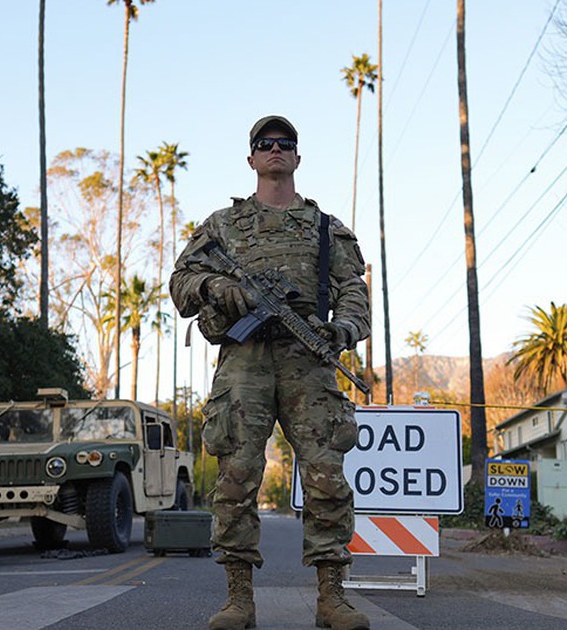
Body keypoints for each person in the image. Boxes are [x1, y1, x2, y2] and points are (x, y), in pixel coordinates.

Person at [171, 115, 370, 630]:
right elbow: (181, 282)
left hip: (309, 362)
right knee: (237, 476)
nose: (275, 149)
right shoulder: (222, 226)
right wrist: (218, 289)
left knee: (326, 477)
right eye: (265, 144)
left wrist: (342, 330)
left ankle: (332, 598)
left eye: (285, 143)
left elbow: (354, 292)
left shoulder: (328, 228)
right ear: (252, 159)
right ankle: (238, 599)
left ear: (297, 158)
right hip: (245, 361)